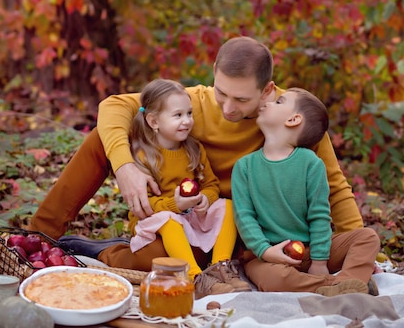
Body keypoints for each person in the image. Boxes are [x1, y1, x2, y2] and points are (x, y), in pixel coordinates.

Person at [29, 36, 380, 295]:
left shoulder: (290, 118)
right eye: (221, 92)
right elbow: (114, 107)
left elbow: (333, 185)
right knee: (102, 140)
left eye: (241, 99)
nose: (227, 107)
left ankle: (109, 249)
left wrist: (351, 251)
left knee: (175, 259)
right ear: (214, 74)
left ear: (268, 90)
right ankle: (36, 237)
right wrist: (125, 167)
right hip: (188, 221)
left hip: (242, 236)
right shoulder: (191, 104)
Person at [232, 87, 371, 295]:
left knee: (367, 238)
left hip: (311, 250)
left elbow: (319, 215)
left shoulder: (311, 164)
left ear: (293, 120)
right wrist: (265, 250)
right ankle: (335, 286)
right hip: (267, 257)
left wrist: (319, 260)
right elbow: (244, 217)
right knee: (274, 279)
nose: (268, 103)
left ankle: (347, 282)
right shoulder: (244, 167)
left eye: (279, 102)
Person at [125, 78, 250, 297]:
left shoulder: (194, 149)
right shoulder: (145, 156)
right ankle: (194, 277)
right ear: (154, 121)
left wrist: (205, 199)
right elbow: (142, 205)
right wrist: (175, 205)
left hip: (190, 215)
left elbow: (211, 185)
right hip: (154, 220)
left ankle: (220, 266)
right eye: (178, 115)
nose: (186, 121)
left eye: (189, 114)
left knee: (228, 206)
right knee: (170, 221)